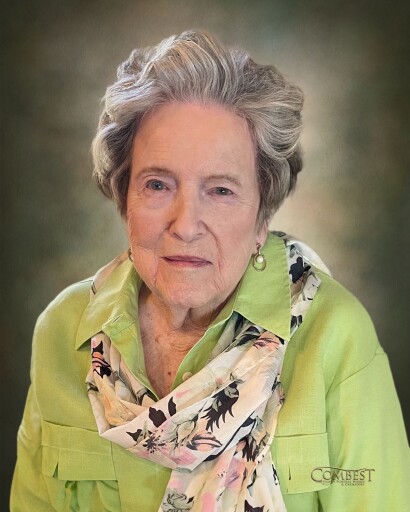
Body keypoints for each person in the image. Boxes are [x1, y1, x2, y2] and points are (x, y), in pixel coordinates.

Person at [11, 30, 409, 512]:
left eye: (220, 190)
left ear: (262, 216)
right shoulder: (64, 330)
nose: (185, 225)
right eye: (158, 185)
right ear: (124, 198)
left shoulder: (336, 336)